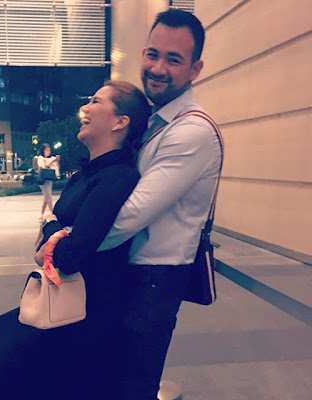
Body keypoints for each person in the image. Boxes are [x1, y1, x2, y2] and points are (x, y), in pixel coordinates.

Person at [0, 80, 151, 400]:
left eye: (96, 102)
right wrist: (54, 232)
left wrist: (50, 224)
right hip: (57, 297)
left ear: (120, 122)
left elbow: (69, 255)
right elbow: (51, 247)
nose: (85, 108)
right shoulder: (83, 175)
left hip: (86, 312)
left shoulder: (118, 176)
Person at [97, 9, 223, 400]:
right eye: (153, 54)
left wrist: (71, 244)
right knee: (112, 377)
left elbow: (130, 215)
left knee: (132, 385)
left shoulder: (191, 131)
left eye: (173, 59)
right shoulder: (155, 121)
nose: (157, 68)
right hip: (132, 272)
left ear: (195, 69)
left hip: (154, 281)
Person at [37, 143, 60, 220]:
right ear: (43, 150)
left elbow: (56, 168)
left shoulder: (51, 158)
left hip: (49, 179)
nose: (48, 151)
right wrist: (52, 161)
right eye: (47, 150)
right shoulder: (40, 158)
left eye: (49, 150)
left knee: (46, 197)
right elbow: (43, 167)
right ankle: (53, 213)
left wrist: (56, 161)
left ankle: (42, 213)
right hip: (43, 180)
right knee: (48, 197)